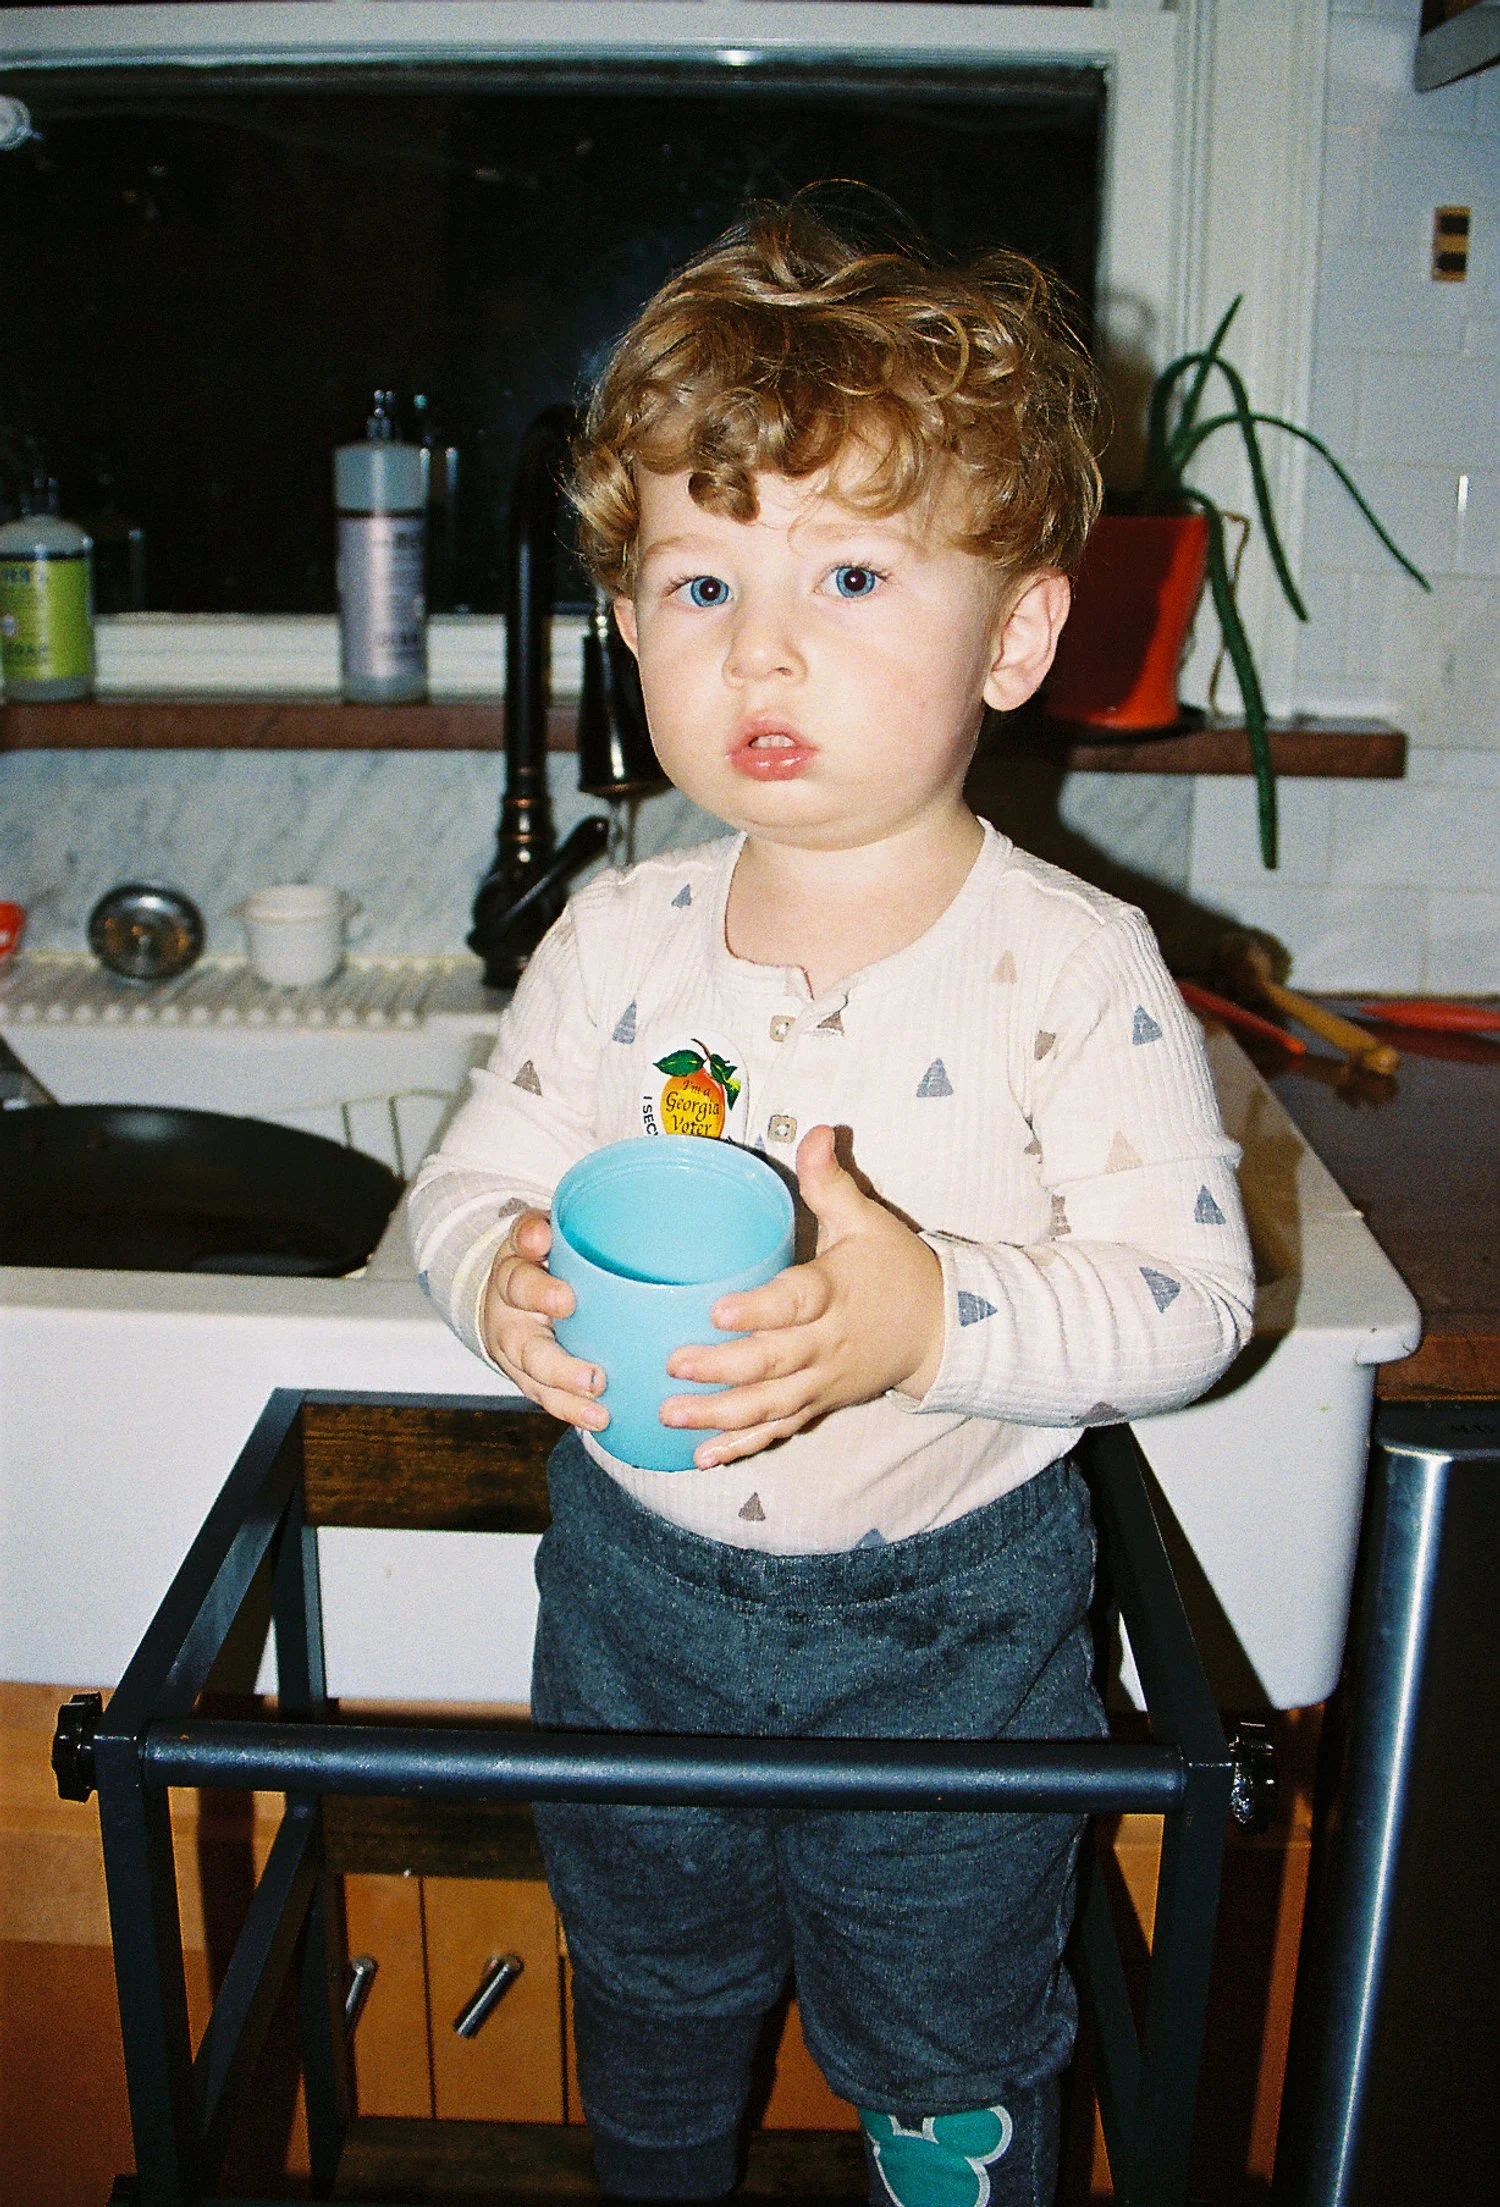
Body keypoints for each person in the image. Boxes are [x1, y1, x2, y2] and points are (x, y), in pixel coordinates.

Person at [409, 201, 1254, 2207]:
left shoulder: (1075, 963)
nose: (760, 646)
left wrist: (928, 1319)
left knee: (945, 2033)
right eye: (700, 579)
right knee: (648, 1989)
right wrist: (496, 1287)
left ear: (1021, 632)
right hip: (631, 1598)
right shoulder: (614, 938)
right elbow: (470, 1179)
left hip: (948, 1625)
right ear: (629, 625)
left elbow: (1193, 1299)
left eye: (853, 572)